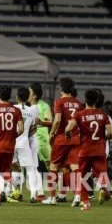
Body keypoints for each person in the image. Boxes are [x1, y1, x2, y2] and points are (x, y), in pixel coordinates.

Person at [65, 89, 112, 211]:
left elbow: (69, 128)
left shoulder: (79, 114)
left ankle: (86, 203)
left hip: (84, 150)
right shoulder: (103, 115)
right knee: (101, 174)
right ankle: (105, 190)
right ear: (96, 101)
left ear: (85, 100)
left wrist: (67, 135)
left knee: (81, 177)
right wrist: (103, 137)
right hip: (99, 150)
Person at [43, 77, 83, 206]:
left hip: (61, 139)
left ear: (61, 88)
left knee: (54, 166)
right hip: (75, 139)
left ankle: (52, 197)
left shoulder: (59, 102)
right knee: (74, 167)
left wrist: (52, 133)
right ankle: (77, 195)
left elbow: (58, 119)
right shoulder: (79, 104)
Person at [11, 87, 44, 203]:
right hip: (24, 142)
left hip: (12, 142)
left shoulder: (12, 109)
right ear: (27, 98)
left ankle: (15, 193)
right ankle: (33, 195)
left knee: (13, 168)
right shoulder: (31, 111)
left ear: (17, 97)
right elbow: (34, 129)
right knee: (31, 169)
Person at [29, 82, 52, 172]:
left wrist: (41, 122)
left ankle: (56, 185)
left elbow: (50, 121)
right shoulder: (28, 107)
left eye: (29, 92)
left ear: (34, 96)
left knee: (49, 165)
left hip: (42, 140)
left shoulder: (44, 106)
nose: (27, 94)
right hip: (31, 139)